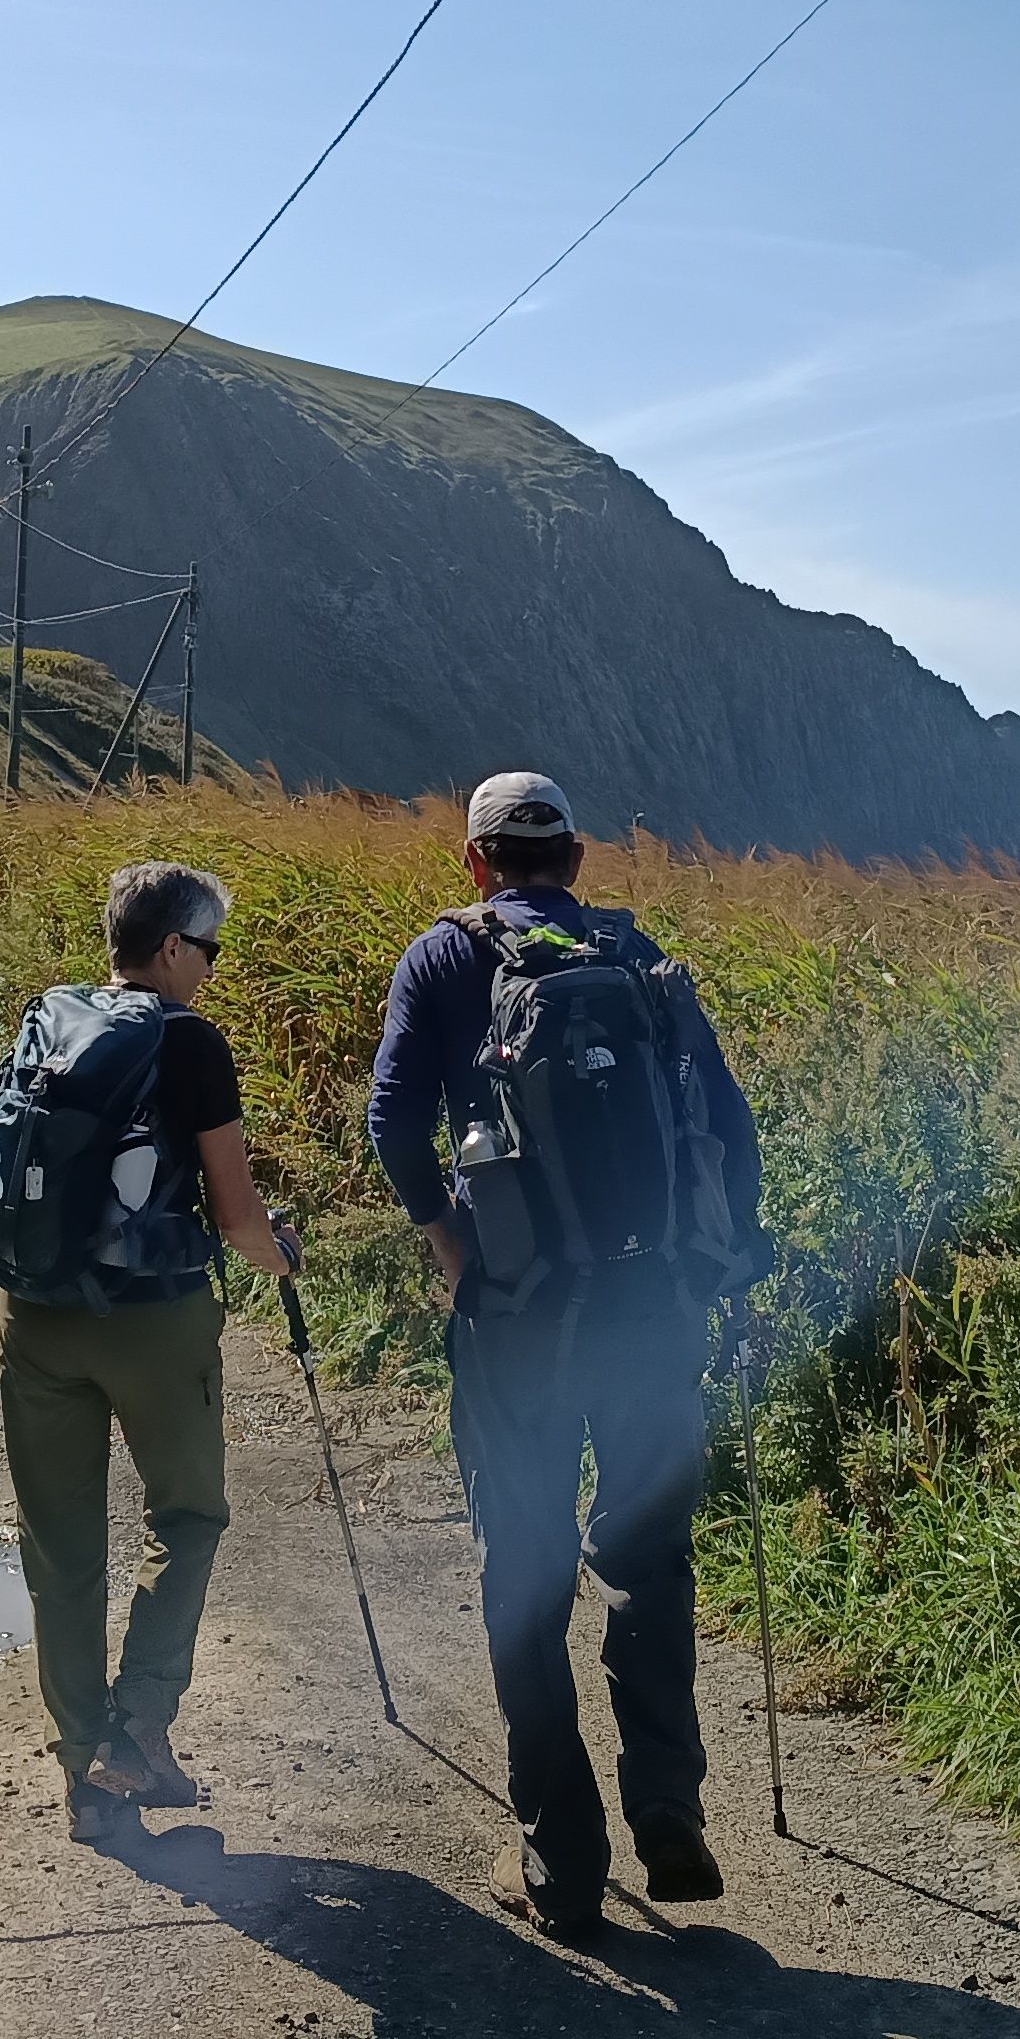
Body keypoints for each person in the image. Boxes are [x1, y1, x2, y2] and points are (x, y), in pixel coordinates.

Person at [366, 772, 766, 1939]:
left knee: (524, 1568)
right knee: (648, 1554)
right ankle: (667, 1803)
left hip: (519, 1312)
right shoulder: (641, 959)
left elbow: (394, 1119)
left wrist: (449, 1242)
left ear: (475, 861)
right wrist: (726, 1269)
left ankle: (562, 1860)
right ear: (576, 859)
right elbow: (727, 1123)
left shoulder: (442, 959)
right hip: (654, 1308)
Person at [0, 859, 298, 1843]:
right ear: (171, 947)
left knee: (61, 1548)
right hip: (154, 1321)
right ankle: (139, 1735)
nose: (211, 969)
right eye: (208, 950)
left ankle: (84, 1765)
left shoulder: (52, 1017)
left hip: (36, 1316)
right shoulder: (190, 1041)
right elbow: (237, 1216)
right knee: (189, 1517)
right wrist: (281, 1257)